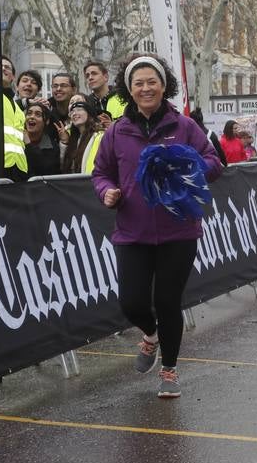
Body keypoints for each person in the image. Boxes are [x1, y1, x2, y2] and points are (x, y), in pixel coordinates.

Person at [92, 53, 224, 398]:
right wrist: (107, 192)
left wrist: (188, 166)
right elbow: (101, 172)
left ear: (164, 86)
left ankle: (169, 369)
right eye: (139, 83)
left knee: (167, 301)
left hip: (178, 229)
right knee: (132, 303)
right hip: (132, 230)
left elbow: (214, 162)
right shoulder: (118, 131)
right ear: (128, 89)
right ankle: (149, 335)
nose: (146, 88)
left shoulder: (183, 126)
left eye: (153, 81)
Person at [62, 99, 103, 173]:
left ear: (89, 114)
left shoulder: (100, 136)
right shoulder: (73, 139)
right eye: (72, 112)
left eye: (79, 110)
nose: (74, 113)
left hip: (93, 181)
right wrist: (64, 143)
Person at [22, 102, 62, 176]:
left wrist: (28, 145)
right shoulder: (16, 141)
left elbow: (45, 169)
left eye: (38, 114)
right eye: (29, 113)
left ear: (46, 121)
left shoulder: (52, 147)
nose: (32, 117)